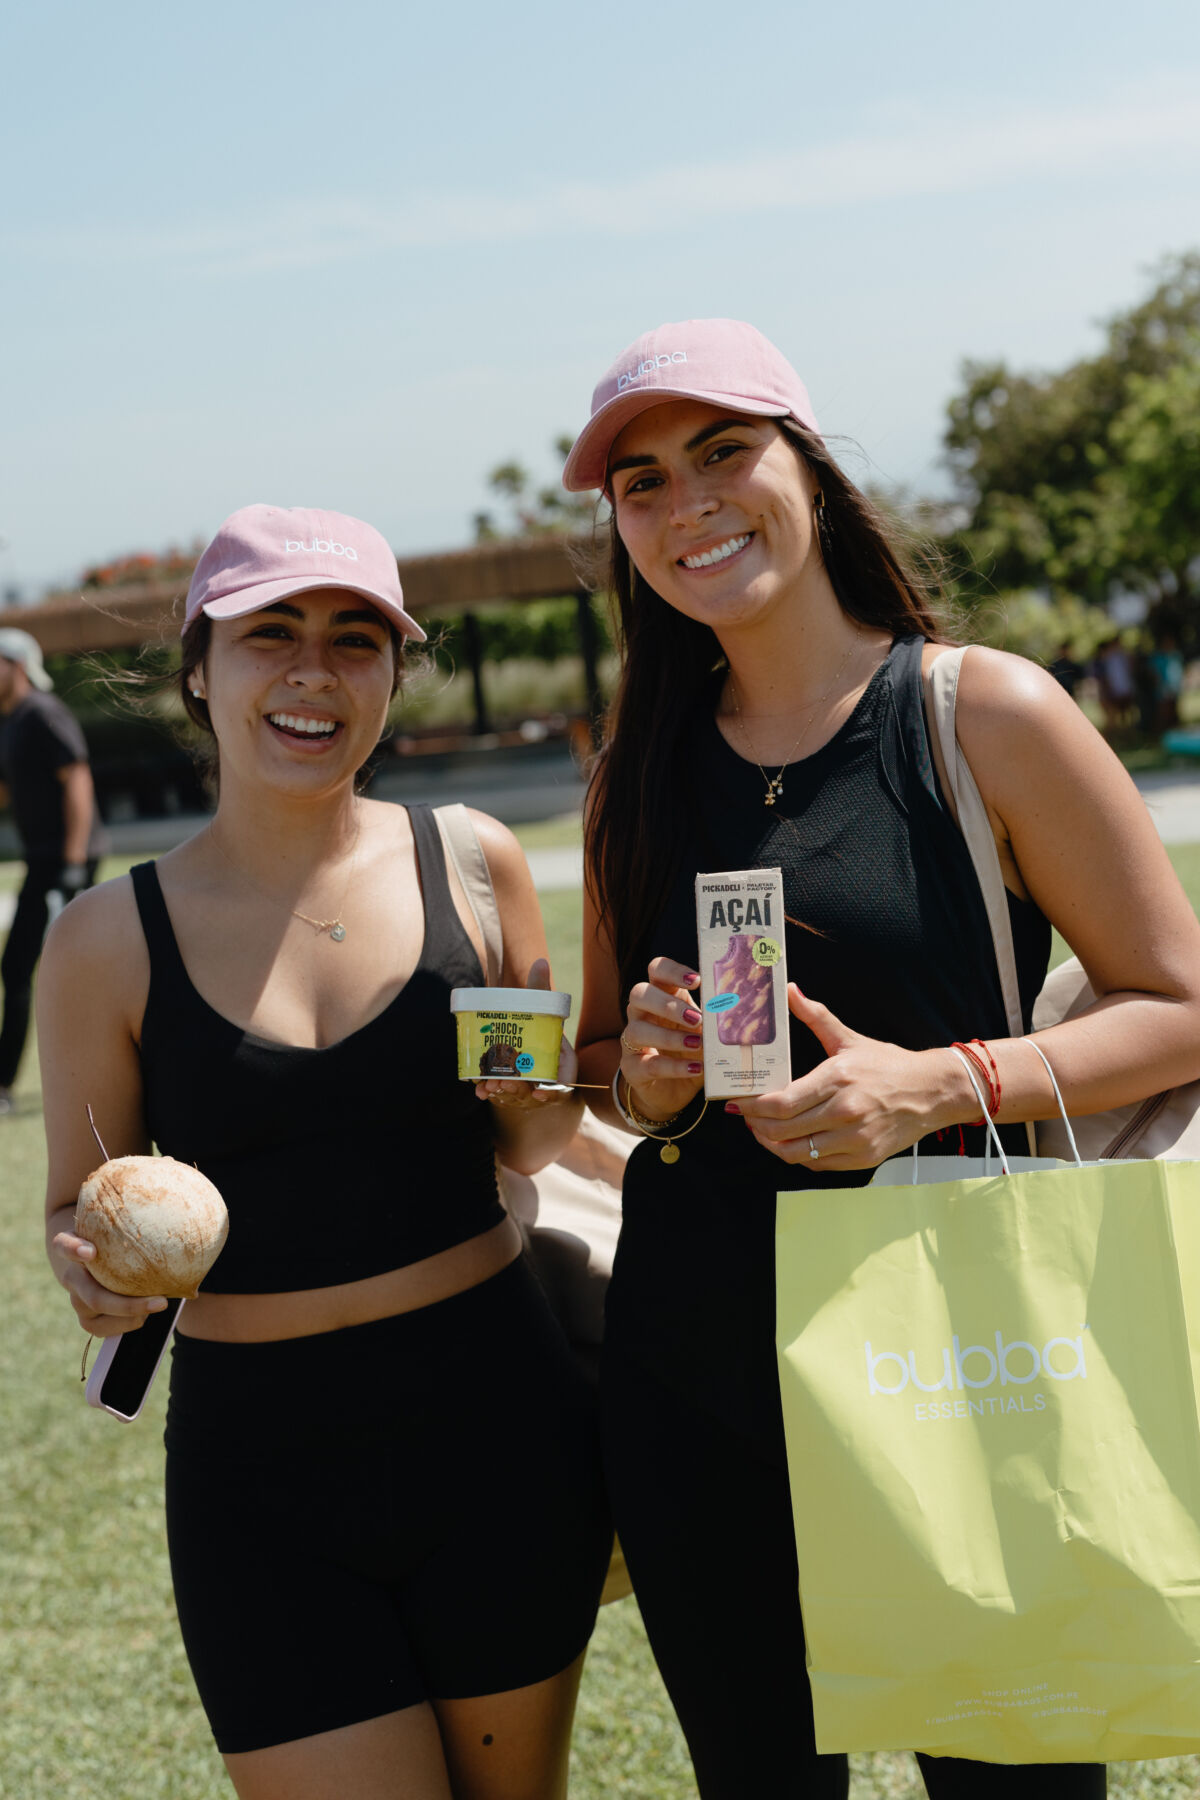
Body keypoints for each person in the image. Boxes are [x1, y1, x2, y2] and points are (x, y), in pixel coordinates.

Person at [566, 319, 1200, 1800]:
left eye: (724, 452)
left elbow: (1179, 1002)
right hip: (697, 1377)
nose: (688, 505)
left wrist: (945, 1083)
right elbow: (599, 1067)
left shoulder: (983, 713)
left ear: (809, 465)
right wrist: (644, 1083)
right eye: (643, 482)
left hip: (964, 1355)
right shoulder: (627, 776)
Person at [40, 506, 611, 1800]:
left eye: (357, 641)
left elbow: (533, 1134)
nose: (314, 672)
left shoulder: (474, 861)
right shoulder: (103, 942)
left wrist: (563, 1065)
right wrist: (90, 1272)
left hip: (501, 1429)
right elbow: (83, 1200)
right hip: (261, 1472)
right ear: (201, 669)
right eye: (271, 637)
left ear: (393, 676)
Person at [0, 627, 107, 1114]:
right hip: (42, 861)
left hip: (64, 864)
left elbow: (78, 781)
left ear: (16, 666)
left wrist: (73, 863)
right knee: (18, 968)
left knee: (73, 973)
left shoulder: (43, 713)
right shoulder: (10, 721)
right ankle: (4, 1085)